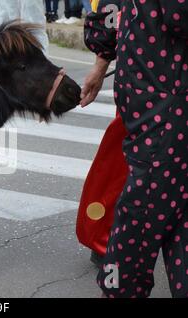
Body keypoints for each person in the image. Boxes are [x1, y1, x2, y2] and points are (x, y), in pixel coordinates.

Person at [82, 0, 187, 298]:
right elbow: (180, 12)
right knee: (142, 214)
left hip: (154, 96)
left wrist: (101, 61)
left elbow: (109, 13)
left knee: (170, 214)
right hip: (167, 101)